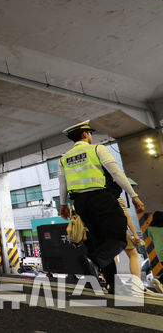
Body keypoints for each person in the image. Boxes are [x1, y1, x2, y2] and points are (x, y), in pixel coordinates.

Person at [58, 120, 145, 293]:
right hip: (101, 198)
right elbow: (116, 173)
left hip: (80, 203)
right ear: (85, 134)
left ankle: (112, 285)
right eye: (90, 133)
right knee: (118, 237)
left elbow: (63, 183)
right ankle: (93, 261)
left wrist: (63, 204)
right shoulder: (97, 149)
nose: (91, 136)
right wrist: (133, 196)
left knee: (100, 242)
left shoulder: (64, 158)